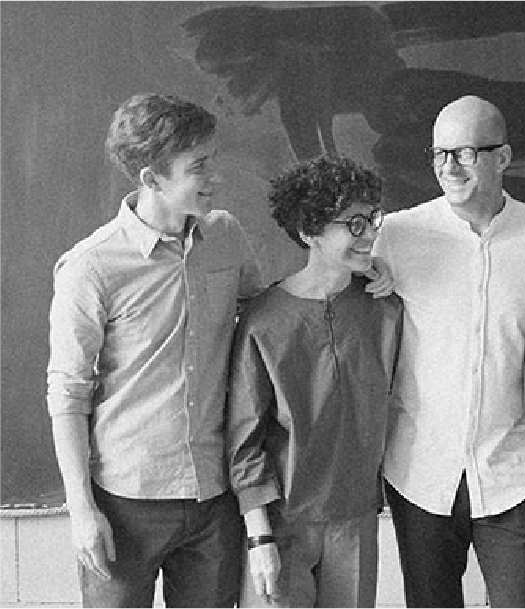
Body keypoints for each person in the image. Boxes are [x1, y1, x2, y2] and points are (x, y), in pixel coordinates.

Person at [46, 93, 261, 608]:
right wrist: (81, 510)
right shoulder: (91, 267)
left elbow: (265, 320)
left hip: (215, 496)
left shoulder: (227, 236)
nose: (215, 177)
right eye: (198, 167)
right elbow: (68, 393)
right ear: (151, 178)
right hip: (125, 502)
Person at [373, 95, 525, 609]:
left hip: (514, 470)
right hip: (419, 471)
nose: (449, 167)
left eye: (465, 153)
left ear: (502, 157)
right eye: (439, 154)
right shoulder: (395, 237)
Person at [226, 155, 402, 608]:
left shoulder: (383, 307)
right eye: (354, 224)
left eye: (373, 219)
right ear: (310, 231)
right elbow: (244, 441)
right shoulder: (264, 321)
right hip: (282, 523)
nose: (370, 234)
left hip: (356, 518)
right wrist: (259, 539)